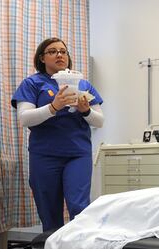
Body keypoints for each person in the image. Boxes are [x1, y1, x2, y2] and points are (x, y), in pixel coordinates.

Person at [11, 37, 104, 232]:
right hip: (44, 156)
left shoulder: (83, 85)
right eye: (52, 51)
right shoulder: (32, 84)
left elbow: (99, 121)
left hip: (77, 154)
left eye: (63, 51)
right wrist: (54, 107)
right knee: (50, 213)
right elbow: (24, 119)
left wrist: (85, 111)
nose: (59, 54)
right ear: (42, 58)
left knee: (79, 208)